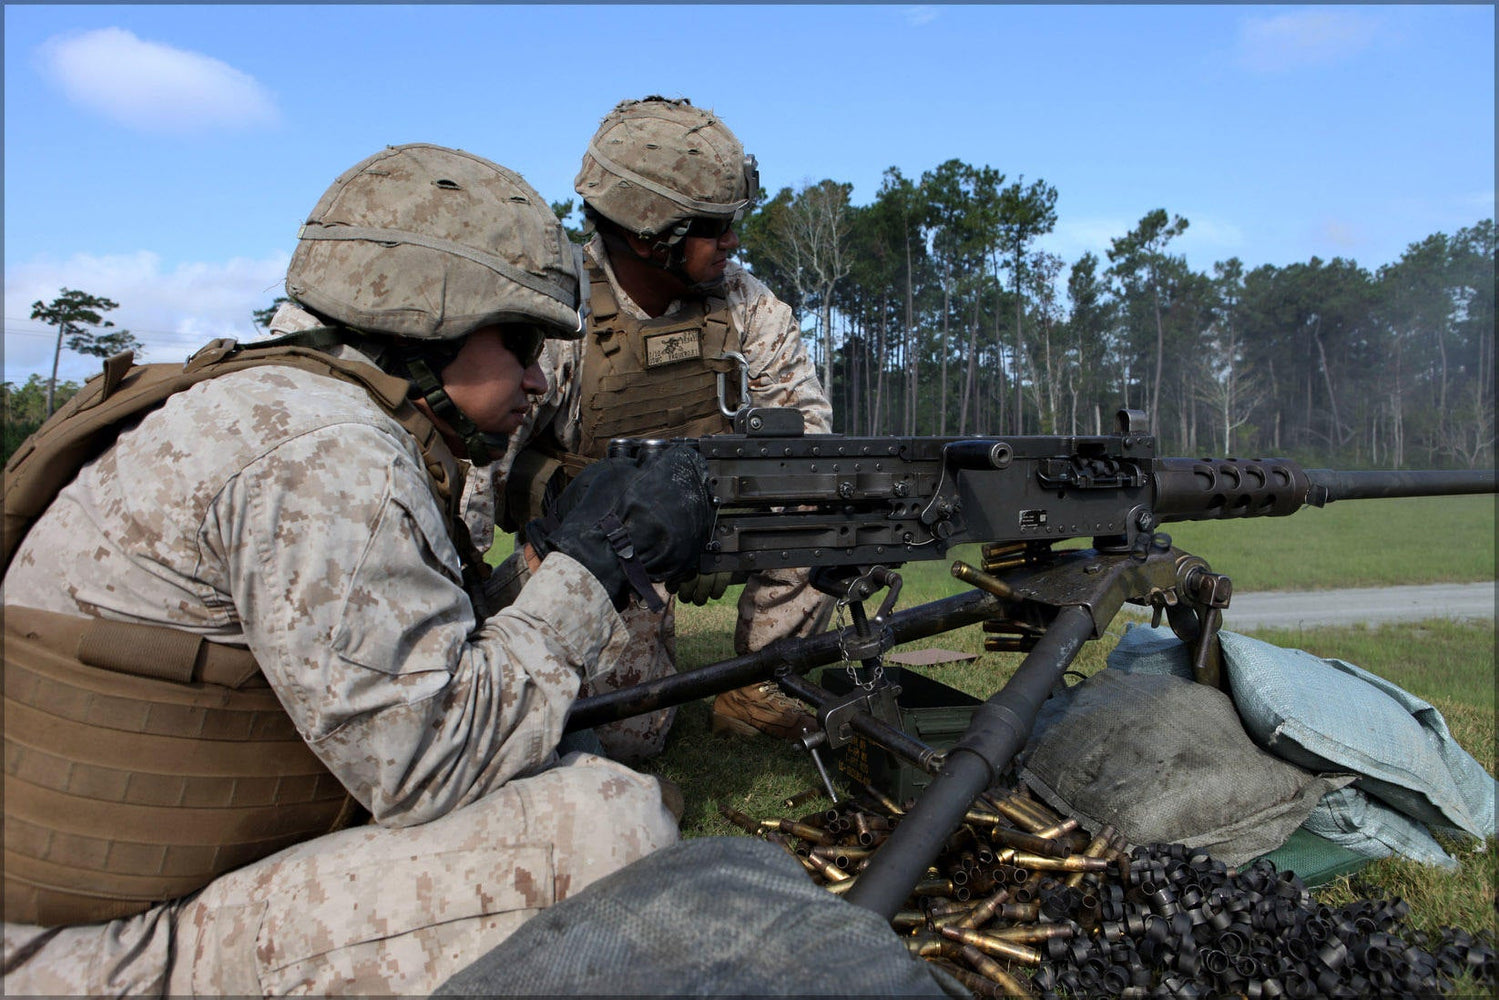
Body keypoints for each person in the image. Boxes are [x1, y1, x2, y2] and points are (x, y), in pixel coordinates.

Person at [1, 143, 711, 995]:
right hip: (84, 949)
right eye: (519, 341)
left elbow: (400, 654)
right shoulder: (329, 453)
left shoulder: (266, 398)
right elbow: (427, 764)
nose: (533, 378)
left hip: (84, 891)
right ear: (426, 326)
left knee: (572, 752)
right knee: (608, 824)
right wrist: (592, 565)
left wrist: (548, 552)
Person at [492, 97, 835, 754]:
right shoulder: (555, 311)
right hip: (593, 539)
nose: (732, 241)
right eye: (714, 226)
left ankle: (764, 685)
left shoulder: (746, 306)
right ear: (651, 235)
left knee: (826, 488)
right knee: (631, 737)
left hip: (711, 511)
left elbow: (805, 437)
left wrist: (707, 511)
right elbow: (483, 472)